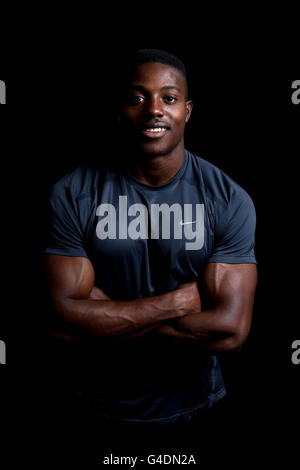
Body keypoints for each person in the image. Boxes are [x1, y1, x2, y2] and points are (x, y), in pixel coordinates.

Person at [42, 49, 257, 463]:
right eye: (138, 97)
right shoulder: (72, 194)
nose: (154, 110)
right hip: (92, 410)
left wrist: (103, 320)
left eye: (169, 98)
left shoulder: (227, 199)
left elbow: (230, 331)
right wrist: (176, 303)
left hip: (197, 411)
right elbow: (58, 325)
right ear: (120, 109)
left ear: (188, 110)